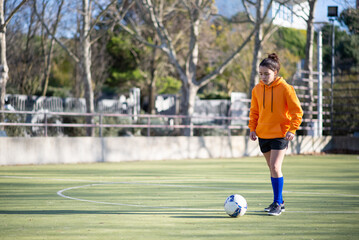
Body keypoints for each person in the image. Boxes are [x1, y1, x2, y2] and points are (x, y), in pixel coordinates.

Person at [248, 53, 303, 216]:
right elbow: (254, 111)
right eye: (261, 74)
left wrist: (292, 129)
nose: (263, 77)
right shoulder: (257, 89)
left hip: (280, 134)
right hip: (263, 134)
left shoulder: (286, 88)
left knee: (275, 167)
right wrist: (252, 128)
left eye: (267, 74)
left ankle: (278, 204)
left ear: (275, 72)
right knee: (272, 169)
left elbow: (297, 111)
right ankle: (279, 201)